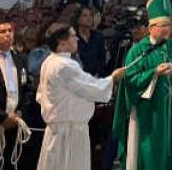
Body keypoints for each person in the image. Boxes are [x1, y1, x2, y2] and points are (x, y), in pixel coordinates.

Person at [111, 0, 172, 170]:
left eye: (169, 26)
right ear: (151, 27)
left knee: (171, 149)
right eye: (164, 26)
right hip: (149, 112)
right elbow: (130, 80)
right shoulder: (138, 50)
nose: (169, 30)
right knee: (150, 153)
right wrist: (154, 73)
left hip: (171, 111)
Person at [36, 24, 125, 170]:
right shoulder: (65, 65)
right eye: (73, 36)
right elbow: (90, 88)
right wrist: (113, 78)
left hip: (58, 128)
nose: (76, 38)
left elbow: (40, 95)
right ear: (62, 42)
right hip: (69, 129)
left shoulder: (49, 62)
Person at [0, 20, 39, 169]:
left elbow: (28, 88)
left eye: (10, 31)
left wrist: (19, 113)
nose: (8, 34)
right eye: (2, 32)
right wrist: (2, 117)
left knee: (11, 163)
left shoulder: (20, 58)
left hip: (15, 122)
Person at [76, 6, 107, 76]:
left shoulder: (98, 37)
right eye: (85, 15)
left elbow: (102, 59)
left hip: (96, 76)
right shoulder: (73, 38)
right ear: (78, 19)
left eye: (91, 15)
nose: (89, 18)